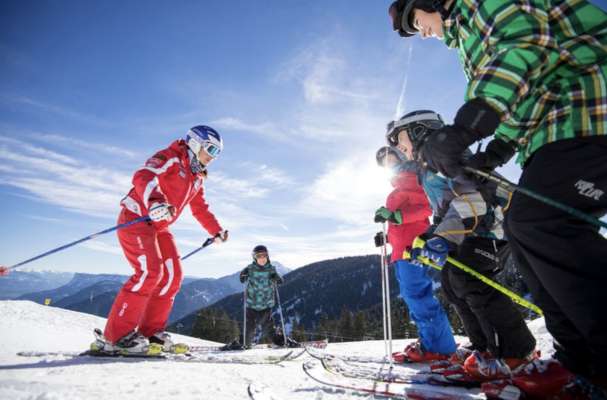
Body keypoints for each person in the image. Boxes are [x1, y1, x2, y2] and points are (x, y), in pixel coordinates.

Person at [388, 0, 607, 395]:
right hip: (558, 122)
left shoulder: (485, 5)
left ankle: (564, 356)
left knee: (542, 224)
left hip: (591, 109)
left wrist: (469, 125)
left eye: (416, 21)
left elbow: (521, 49)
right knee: (528, 229)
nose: (421, 32)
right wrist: (498, 151)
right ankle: (583, 363)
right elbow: (533, 92)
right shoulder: (470, 37)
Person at [385, 110, 537, 381]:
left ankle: (517, 352)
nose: (398, 146)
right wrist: (432, 235)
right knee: (453, 284)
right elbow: (447, 210)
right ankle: (484, 348)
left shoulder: (439, 154)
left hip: (490, 228)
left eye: (400, 138)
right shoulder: (428, 165)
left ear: (419, 131)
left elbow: (471, 199)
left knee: (470, 281)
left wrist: (443, 237)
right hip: (471, 229)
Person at [93, 125, 229, 354]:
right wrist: (155, 201)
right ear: (195, 143)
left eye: (217, 153)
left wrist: (215, 230)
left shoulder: (197, 178)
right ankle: (116, 337)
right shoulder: (171, 158)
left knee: (173, 275)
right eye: (210, 150)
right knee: (149, 272)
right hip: (136, 217)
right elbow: (143, 175)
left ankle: (151, 333)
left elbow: (199, 208)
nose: (212, 157)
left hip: (160, 227)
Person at [374, 146, 456, 363]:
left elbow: (427, 208)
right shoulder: (398, 185)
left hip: (414, 248)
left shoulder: (413, 178)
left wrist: (396, 216)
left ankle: (440, 348)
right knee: (414, 297)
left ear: (402, 158)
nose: (389, 165)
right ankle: (430, 342)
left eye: (392, 159)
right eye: (385, 164)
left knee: (418, 296)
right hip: (401, 250)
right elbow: (399, 222)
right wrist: (387, 237)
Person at [239, 245, 284, 348]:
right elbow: (242, 279)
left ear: (267, 257)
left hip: (266, 306)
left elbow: (280, 280)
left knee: (268, 329)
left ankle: (281, 341)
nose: (262, 258)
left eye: (264, 256)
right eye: (259, 256)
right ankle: (244, 343)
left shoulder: (271, 269)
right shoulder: (249, 269)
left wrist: (277, 279)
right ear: (255, 257)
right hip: (251, 305)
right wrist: (243, 275)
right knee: (249, 330)